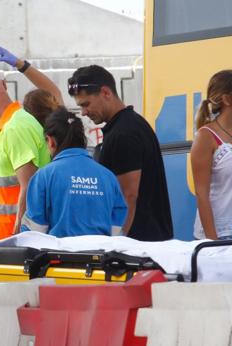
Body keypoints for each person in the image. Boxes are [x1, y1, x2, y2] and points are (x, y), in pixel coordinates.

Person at [68, 65, 173, 241]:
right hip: (148, 241)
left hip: (138, 245)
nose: (84, 112)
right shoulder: (132, 124)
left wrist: (115, 242)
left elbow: (127, 196)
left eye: (86, 104)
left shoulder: (123, 134)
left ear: (106, 93)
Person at [0, 64, 51, 242]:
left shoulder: (15, 128)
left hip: (18, 243)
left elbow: (29, 187)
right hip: (8, 240)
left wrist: (17, 236)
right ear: (4, 85)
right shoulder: (8, 128)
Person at [21, 107, 127, 237]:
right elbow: (117, 229)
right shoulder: (108, 177)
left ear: (51, 141)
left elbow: (34, 233)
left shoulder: (44, 176)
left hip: (58, 256)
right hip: (102, 255)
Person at [0, 42, 63, 157]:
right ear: (4, 84)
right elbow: (55, 94)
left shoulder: (8, 136)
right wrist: (20, 64)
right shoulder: (32, 126)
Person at [191, 70, 232, 240]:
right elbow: (202, 194)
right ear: (227, 99)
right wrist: (213, 242)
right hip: (220, 235)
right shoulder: (205, 136)